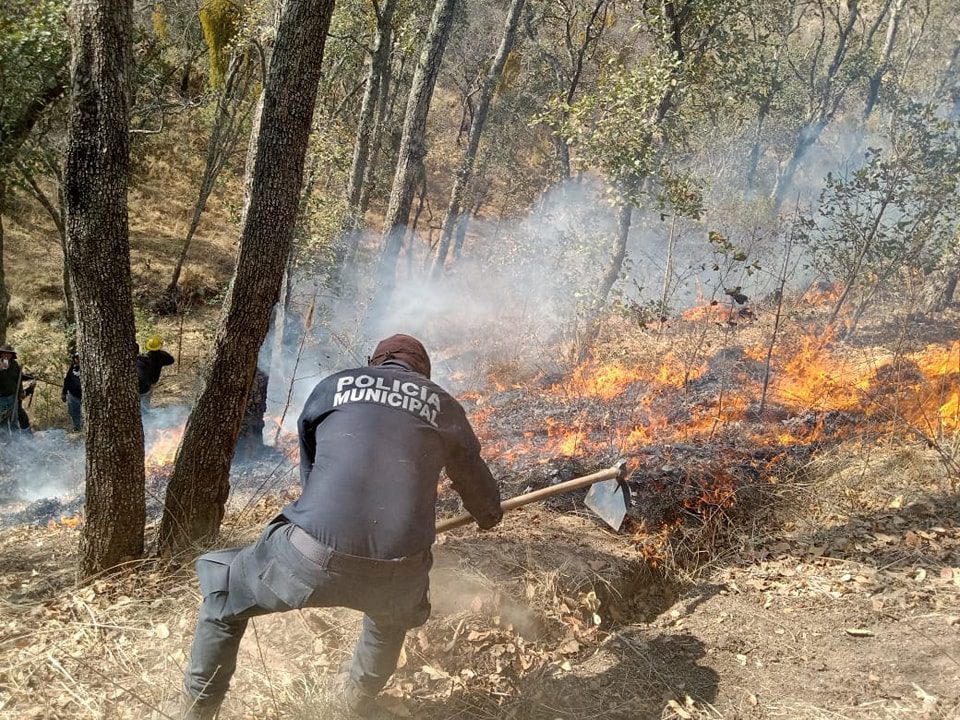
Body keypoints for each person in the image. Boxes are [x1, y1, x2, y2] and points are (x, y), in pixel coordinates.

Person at [177, 334, 502, 720]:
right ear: (422, 371)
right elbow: (478, 486)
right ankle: (355, 703)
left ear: (374, 361)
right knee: (389, 622)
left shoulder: (333, 386)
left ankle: (197, 710)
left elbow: (311, 467)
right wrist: (488, 516)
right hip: (398, 572)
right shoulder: (443, 404)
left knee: (223, 589)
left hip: (308, 556)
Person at [0, 344, 35, 435]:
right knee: (2, 419)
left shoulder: (15, 365)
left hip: (12, 396)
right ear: (1, 354)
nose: (7, 355)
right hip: (1, 397)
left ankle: (16, 441)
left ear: (12, 355)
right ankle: (5, 440)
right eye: (4, 353)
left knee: (14, 418)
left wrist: (21, 392)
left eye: (9, 353)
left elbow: (19, 379)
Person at [136, 336, 175, 409]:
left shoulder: (143, 359)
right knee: (145, 404)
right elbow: (171, 360)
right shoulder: (162, 356)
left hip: (141, 384)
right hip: (149, 384)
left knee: (140, 404)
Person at [61, 353, 83, 431]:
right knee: (74, 413)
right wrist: (63, 393)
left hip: (84, 396)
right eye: (76, 358)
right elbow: (66, 380)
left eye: (78, 358)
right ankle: (77, 428)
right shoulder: (72, 369)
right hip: (73, 395)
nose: (77, 359)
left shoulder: (88, 368)